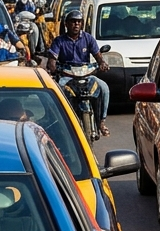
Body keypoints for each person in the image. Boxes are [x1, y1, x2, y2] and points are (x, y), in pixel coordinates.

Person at [44, 9, 111, 138]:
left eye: (78, 22)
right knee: (58, 92)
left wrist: (102, 63)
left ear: (82, 24)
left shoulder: (88, 38)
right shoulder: (59, 41)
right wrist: (52, 68)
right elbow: (52, 61)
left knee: (104, 88)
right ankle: (61, 124)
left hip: (86, 75)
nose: (76, 24)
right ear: (66, 24)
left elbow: (98, 57)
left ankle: (101, 121)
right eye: (73, 22)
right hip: (67, 77)